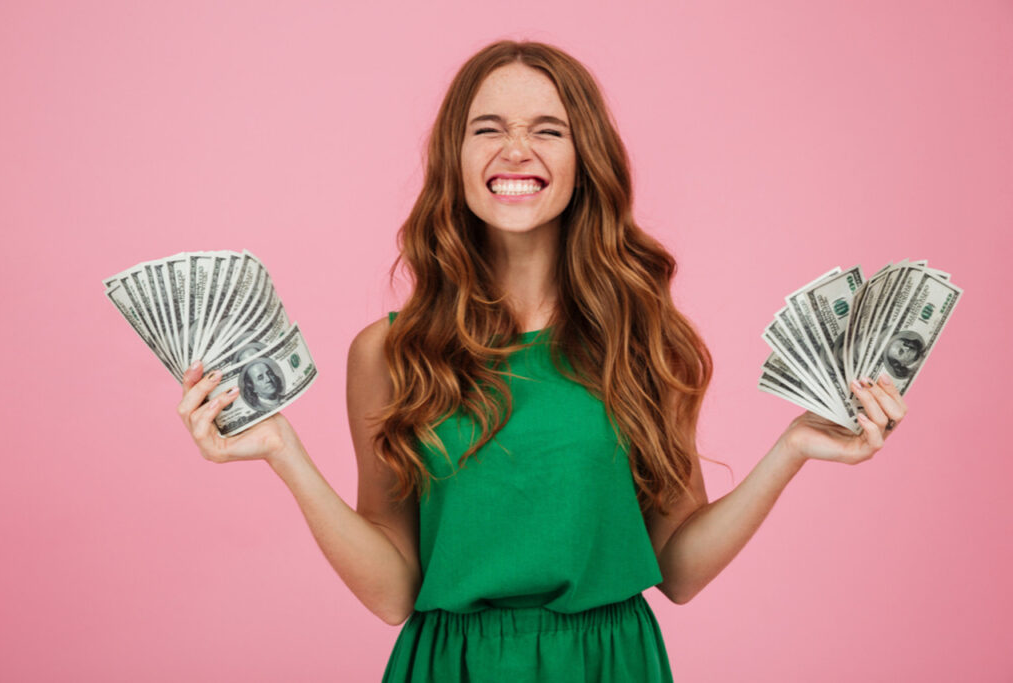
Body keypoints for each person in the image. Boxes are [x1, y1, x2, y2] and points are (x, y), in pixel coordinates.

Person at [175, 40, 909, 682]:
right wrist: (281, 451)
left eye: (547, 130)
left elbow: (678, 568)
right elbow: (393, 589)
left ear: (584, 161)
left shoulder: (645, 338)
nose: (516, 150)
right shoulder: (389, 354)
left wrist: (795, 447)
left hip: (611, 663)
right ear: (454, 161)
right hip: (451, 665)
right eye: (487, 129)